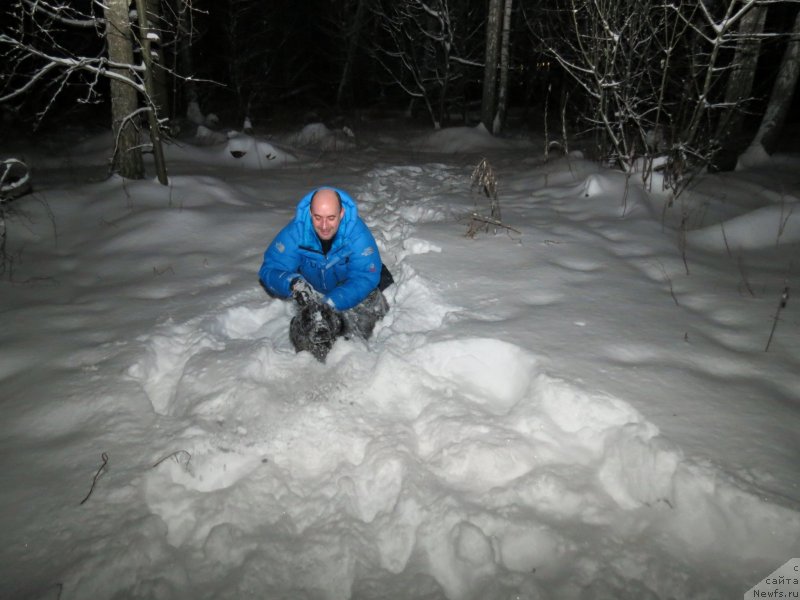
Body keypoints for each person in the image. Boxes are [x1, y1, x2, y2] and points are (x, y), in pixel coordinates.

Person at [259, 187, 392, 356]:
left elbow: (364, 276)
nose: (324, 226)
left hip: (348, 286)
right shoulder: (295, 232)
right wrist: (292, 283)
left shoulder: (358, 234)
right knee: (306, 333)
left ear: (341, 213)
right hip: (313, 287)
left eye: (331, 218)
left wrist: (331, 303)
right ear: (310, 213)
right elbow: (271, 268)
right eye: (317, 218)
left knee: (360, 326)